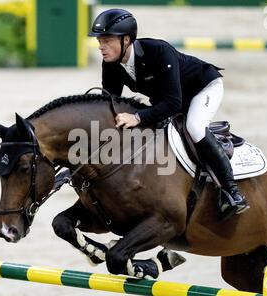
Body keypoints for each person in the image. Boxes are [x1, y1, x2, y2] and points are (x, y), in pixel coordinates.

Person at [89, 8, 249, 219]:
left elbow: (174, 103)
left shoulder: (158, 51)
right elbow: (111, 102)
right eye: (100, 41)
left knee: (194, 127)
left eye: (107, 40)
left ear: (126, 40)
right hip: (170, 97)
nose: (101, 47)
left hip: (202, 88)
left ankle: (232, 192)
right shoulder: (111, 63)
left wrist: (137, 117)